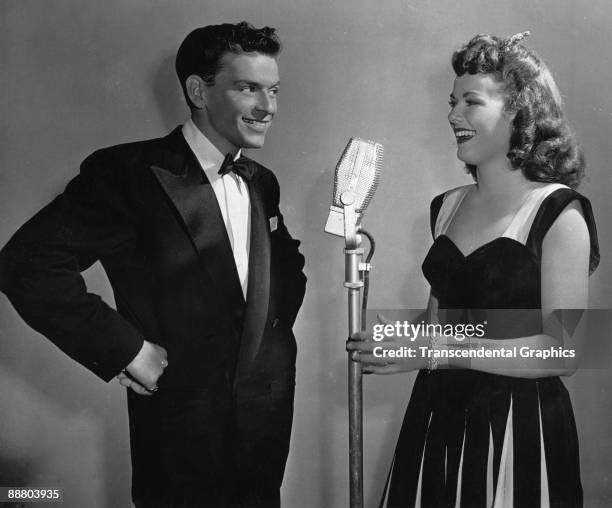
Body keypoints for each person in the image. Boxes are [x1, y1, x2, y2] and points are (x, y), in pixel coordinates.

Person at [0, 22, 306, 508]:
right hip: (180, 443)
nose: (267, 107)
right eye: (248, 88)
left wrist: (267, 353)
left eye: (273, 90)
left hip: (265, 432)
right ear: (197, 91)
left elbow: (283, 276)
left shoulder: (261, 182)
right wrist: (126, 349)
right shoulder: (128, 173)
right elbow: (26, 264)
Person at [349, 32, 599, 507]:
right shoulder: (446, 206)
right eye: (451, 101)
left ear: (519, 112)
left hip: (517, 428)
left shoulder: (560, 213)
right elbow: (439, 321)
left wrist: (437, 351)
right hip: (438, 415)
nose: (452, 115)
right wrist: (393, 336)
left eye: (470, 101)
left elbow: (565, 353)